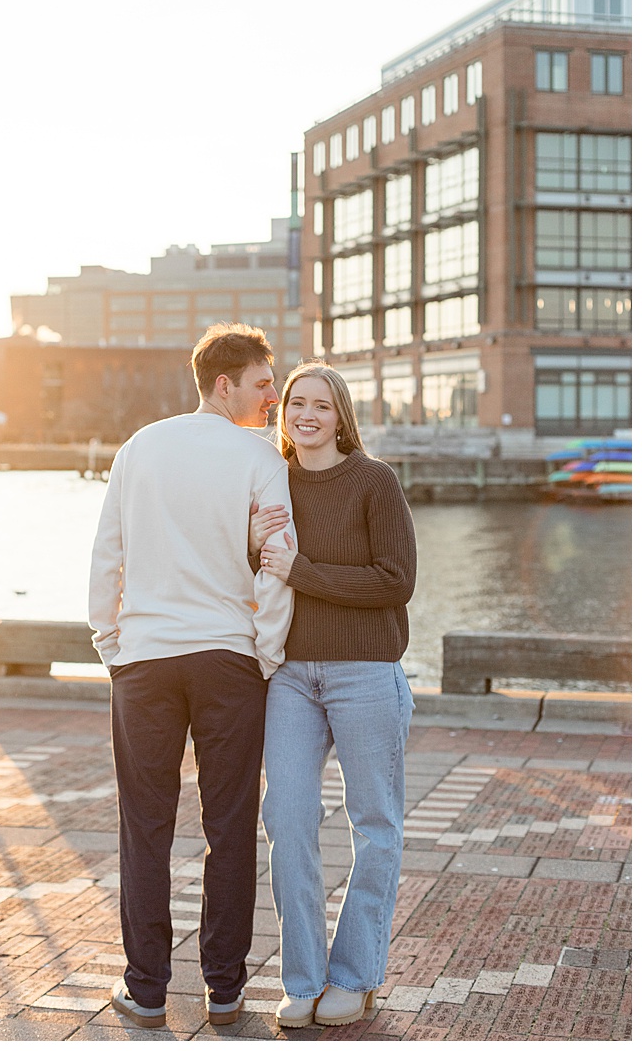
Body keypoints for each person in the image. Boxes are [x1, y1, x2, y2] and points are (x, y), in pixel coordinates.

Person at [88, 323, 296, 1030]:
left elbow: (105, 556)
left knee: (144, 827)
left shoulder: (139, 447)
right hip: (228, 661)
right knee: (230, 826)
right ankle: (225, 987)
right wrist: (265, 653)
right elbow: (278, 565)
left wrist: (110, 643)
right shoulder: (259, 458)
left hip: (144, 661)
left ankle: (145, 989)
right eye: (263, 384)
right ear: (223, 384)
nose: (274, 397)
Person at [247, 362, 416, 1028]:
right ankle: (304, 979)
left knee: (375, 825)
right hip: (289, 674)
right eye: (296, 403)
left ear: (341, 415)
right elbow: (256, 569)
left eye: (320, 404)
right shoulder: (272, 481)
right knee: (286, 818)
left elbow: (395, 581)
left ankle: (355, 975)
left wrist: (302, 571)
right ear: (284, 412)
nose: (306, 414)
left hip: (367, 671)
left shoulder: (375, 482)